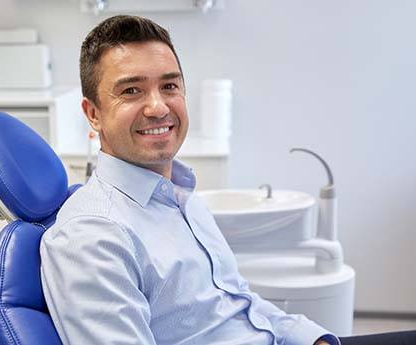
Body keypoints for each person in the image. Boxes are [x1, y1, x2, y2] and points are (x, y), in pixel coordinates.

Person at [40, 15, 416, 345]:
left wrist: (309, 337)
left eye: (169, 86)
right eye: (131, 90)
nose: (158, 107)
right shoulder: (91, 236)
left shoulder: (180, 197)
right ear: (93, 114)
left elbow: (237, 299)